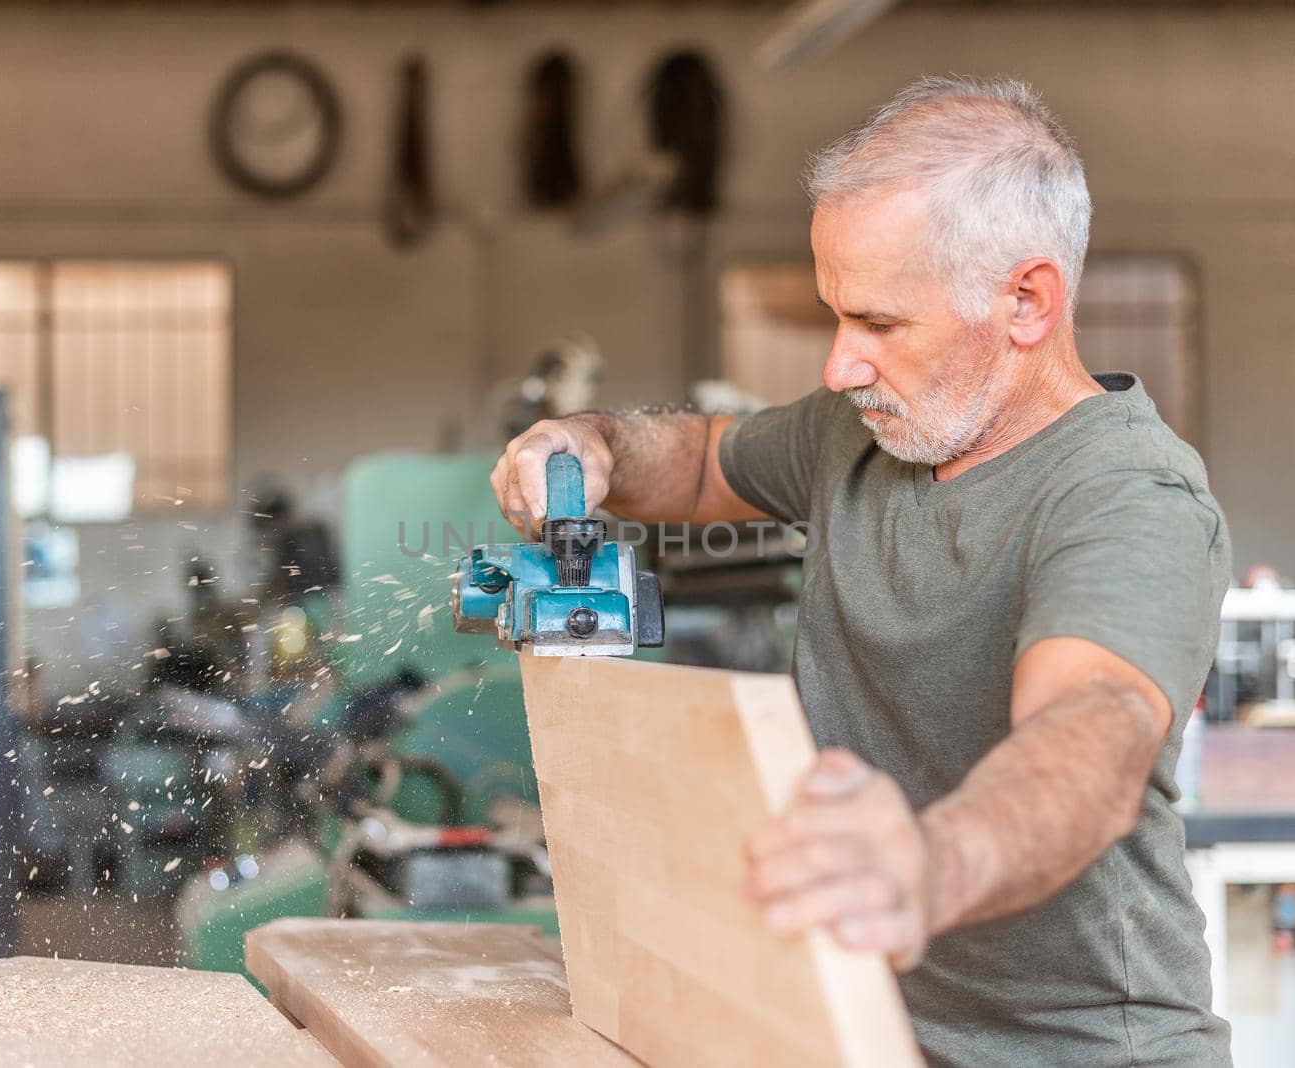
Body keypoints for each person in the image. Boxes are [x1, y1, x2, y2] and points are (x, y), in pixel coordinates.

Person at [490, 76, 1232, 1066]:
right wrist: (592, 447)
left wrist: (925, 866)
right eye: (836, 316)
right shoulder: (859, 434)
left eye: (879, 324)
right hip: (861, 1034)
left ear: (1026, 300)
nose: (840, 365)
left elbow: (1092, 735)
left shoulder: (1128, 498)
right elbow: (707, 457)